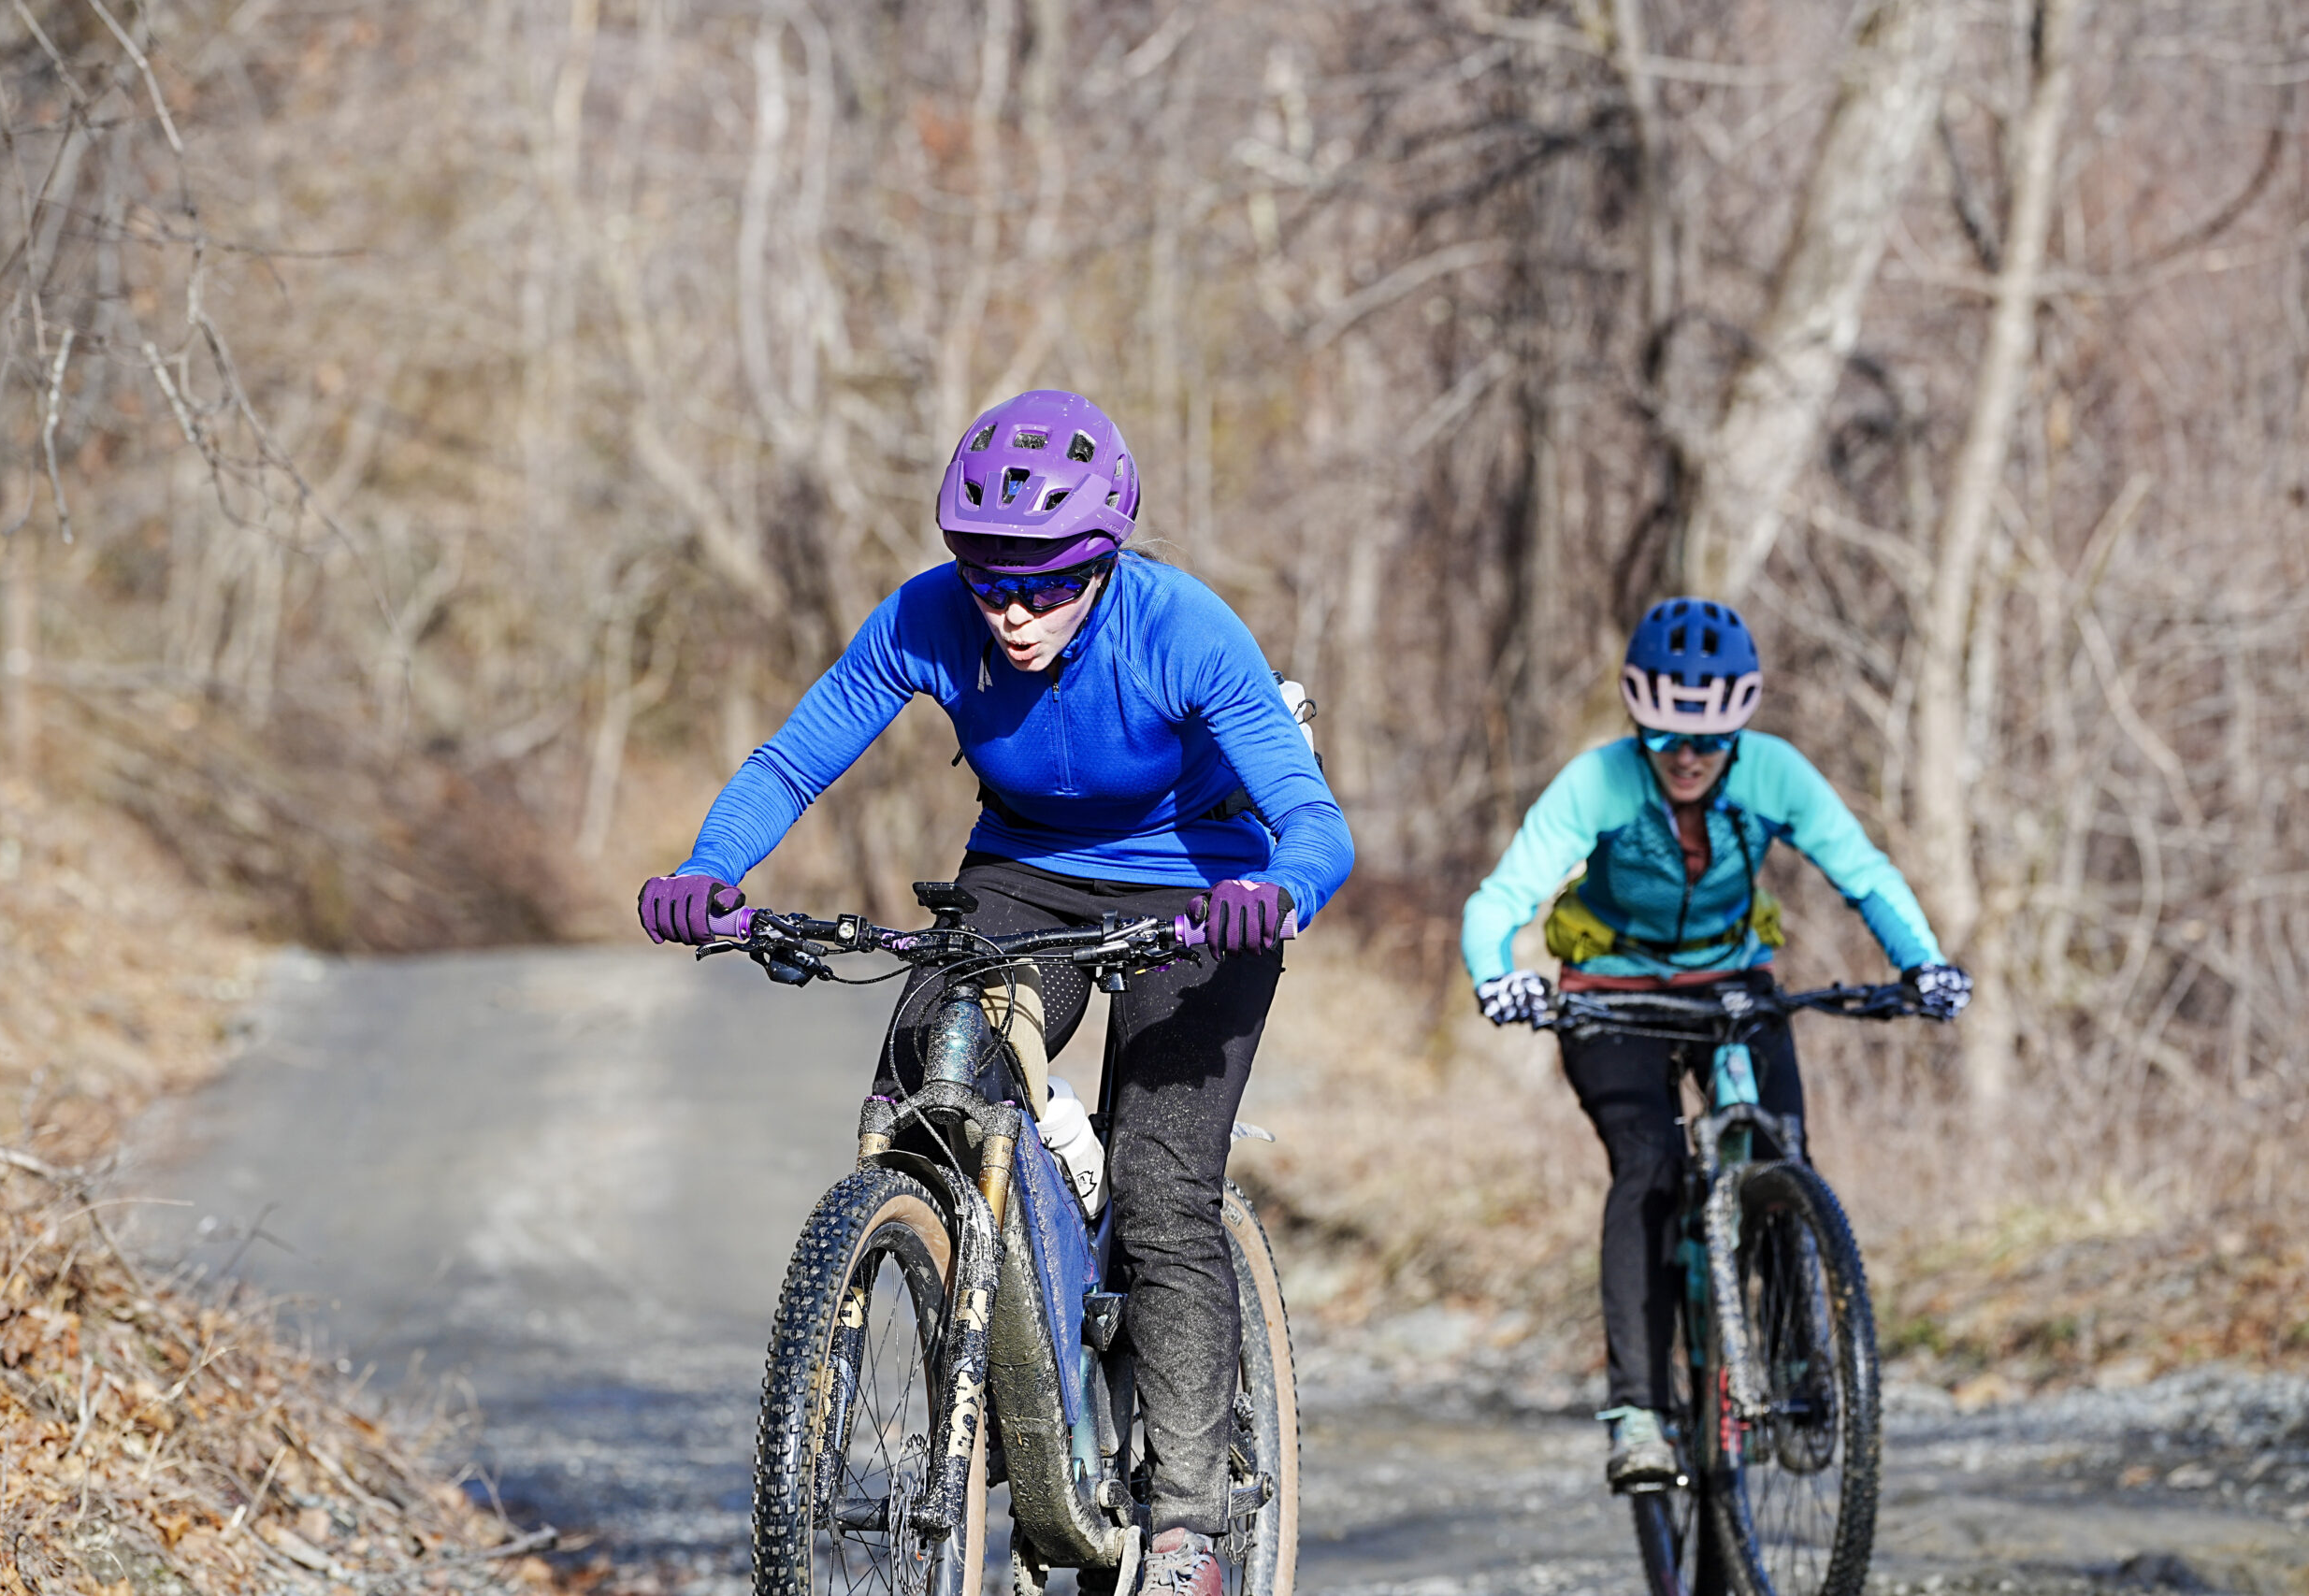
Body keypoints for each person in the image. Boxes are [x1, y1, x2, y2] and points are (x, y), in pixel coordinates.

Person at [638, 390, 1352, 1596]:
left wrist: (1273, 892)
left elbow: (1315, 826)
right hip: (1023, 874)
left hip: (1202, 887)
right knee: (926, 1095)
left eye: (1048, 584)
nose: (1013, 611)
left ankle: (1183, 1524)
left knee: (1161, 1185)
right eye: (989, 581)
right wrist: (711, 868)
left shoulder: (1184, 628)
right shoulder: (928, 616)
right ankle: (996, 1371)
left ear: (1103, 561)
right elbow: (794, 760)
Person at [1460, 597, 1970, 1491]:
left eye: (1709, 739)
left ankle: (1798, 1358)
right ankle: (1640, 1414)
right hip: (1611, 994)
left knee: (1781, 1149)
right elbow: (1500, 898)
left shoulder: (1775, 773)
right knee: (1649, 1167)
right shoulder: (1598, 782)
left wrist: (1923, 962)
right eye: (1665, 736)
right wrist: (1496, 973)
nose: (1687, 756)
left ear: (1739, 728)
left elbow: (1863, 873)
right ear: (1637, 720)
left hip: (1731, 984)